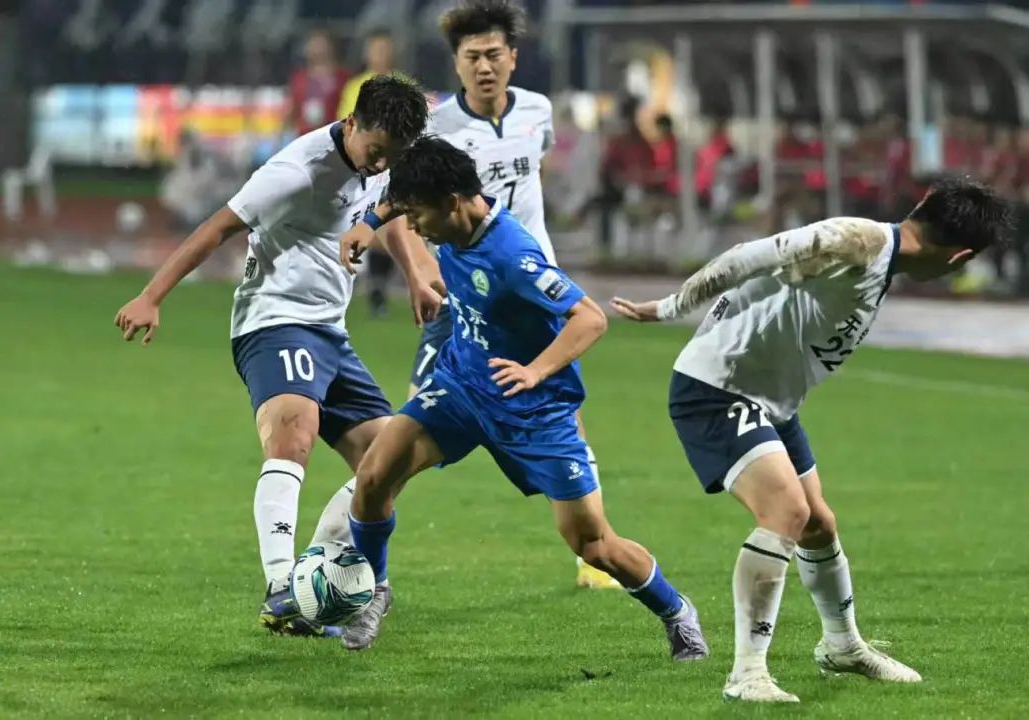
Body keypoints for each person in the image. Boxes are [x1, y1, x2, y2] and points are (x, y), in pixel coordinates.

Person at [610, 177, 1013, 703]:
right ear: (960, 257)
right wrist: (668, 308)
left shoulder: (880, 260)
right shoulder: (858, 242)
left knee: (818, 524)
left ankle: (842, 645)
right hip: (718, 387)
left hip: (770, 399)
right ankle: (747, 674)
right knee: (786, 512)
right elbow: (747, 254)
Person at [339, 136, 709, 661]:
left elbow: (590, 318)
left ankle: (676, 612)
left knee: (594, 545)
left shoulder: (512, 255)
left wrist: (535, 370)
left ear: (453, 203)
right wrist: (369, 223)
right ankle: (373, 590)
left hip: (534, 412)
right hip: (462, 387)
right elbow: (397, 200)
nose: (413, 227)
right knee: (375, 475)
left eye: (418, 215)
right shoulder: (445, 213)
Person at [114, 75, 436, 638]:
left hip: (329, 332)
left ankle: (316, 574)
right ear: (352, 123)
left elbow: (388, 213)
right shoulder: (296, 172)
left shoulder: (380, 162)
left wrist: (414, 275)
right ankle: (282, 585)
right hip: (273, 322)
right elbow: (217, 227)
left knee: (391, 457)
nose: (382, 164)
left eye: (394, 155)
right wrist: (151, 295)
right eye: (377, 150)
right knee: (294, 430)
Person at [348, 0, 620, 589]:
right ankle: (348, 552)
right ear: (456, 63)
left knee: (561, 412)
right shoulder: (438, 127)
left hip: (525, 290)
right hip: (460, 294)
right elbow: (402, 197)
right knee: (408, 426)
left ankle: (591, 548)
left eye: (494, 54)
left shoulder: (538, 112)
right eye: (472, 57)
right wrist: (419, 267)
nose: (484, 66)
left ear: (513, 58)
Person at [337, 29, 405, 318]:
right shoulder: (355, 87)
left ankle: (378, 288)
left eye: (384, 49)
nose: (379, 55)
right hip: (360, 169)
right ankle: (347, 285)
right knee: (354, 224)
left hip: (392, 166)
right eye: (375, 49)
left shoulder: (403, 86)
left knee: (385, 227)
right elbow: (344, 124)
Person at [286, 29, 351, 138]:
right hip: (304, 135)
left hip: (332, 136)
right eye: (314, 45)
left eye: (321, 45)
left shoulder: (343, 77)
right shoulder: (299, 78)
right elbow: (292, 109)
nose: (318, 51)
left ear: (331, 48)